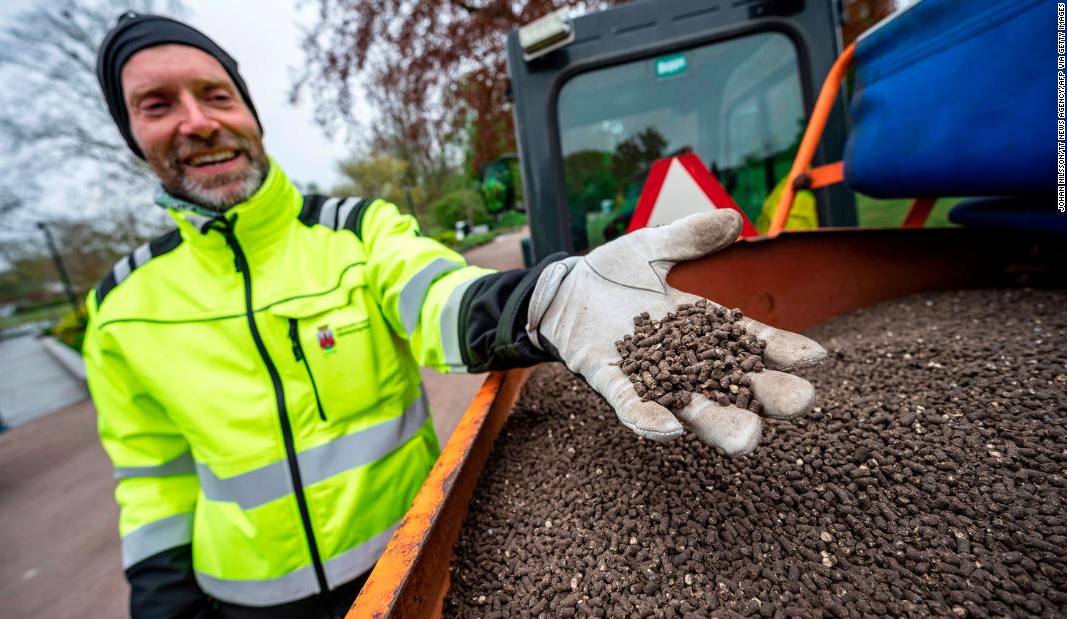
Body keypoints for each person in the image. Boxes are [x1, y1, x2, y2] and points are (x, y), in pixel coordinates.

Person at [87, 13, 826, 619]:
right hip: (246, 603)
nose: (196, 122)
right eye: (158, 105)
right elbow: (152, 482)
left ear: (246, 109)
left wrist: (547, 297)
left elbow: (437, 296)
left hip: (410, 560)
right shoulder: (119, 306)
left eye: (215, 95)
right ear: (131, 134)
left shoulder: (354, 229)